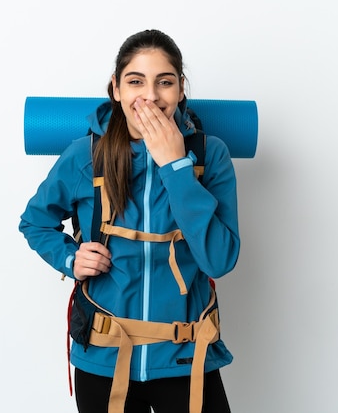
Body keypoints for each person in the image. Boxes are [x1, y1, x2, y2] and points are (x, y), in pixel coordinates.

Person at [19, 29, 240, 413]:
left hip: (186, 361)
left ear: (181, 89)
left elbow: (219, 260)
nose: (151, 96)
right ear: (116, 88)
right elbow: (35, 221)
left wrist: (175, 166)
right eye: (135, 81)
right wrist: (71, 259)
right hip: (104, 361)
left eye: (165, 82)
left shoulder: (210, 155)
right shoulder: (85, 156)